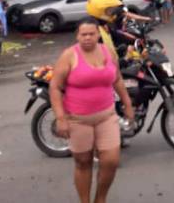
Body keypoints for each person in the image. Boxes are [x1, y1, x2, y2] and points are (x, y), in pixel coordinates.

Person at [49, 18, 135, 203]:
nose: (87, 38)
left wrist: (128, 104)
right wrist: (60, 118)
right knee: (83, 162)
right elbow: (55, 87)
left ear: (98, 34)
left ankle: (100, 199)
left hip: (107, 116)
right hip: (78, 120)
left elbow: (117, 79)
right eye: (83, 34)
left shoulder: (107, 51)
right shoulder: (69, 55)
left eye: (91, 34)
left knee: (111, 161)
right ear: (77, 36)